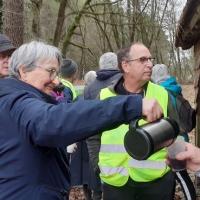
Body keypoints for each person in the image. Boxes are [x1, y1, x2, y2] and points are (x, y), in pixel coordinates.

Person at [0, 41, 163, 200]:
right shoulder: (17, 102)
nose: (57, 82)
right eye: (50, 72)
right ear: (23, 71)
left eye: (57, 73)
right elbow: (53, 121)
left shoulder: (12, 100)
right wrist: (131, 105)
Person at [89, 42, 195, 200]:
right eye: (143, 60)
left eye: (150, 59)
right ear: (125, 65)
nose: (150, 64)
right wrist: (97, 165)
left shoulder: (163, 94)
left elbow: (181, 130)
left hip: (156, 182)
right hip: (115, 182)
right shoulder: (104, 96)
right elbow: (93, 135)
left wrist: (174, 171)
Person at [151, 64, 196, 200]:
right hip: (181, 137)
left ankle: (191, 197)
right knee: (173, 174)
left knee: (180, 175)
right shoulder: (175, 88)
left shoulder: (161, 92)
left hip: (171, 140)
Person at [85, 52, 120, 200]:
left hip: (98, 145)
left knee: (98, 180)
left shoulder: (89, 88)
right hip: (123, 147)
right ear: (118, 64)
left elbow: (88, 121)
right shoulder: (124, 82)